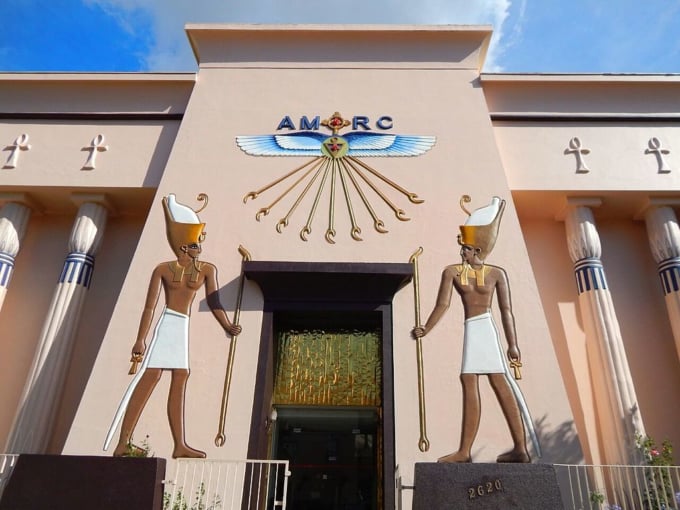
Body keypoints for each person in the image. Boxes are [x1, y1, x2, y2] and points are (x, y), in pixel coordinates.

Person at [104, 193, 241, 458]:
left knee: (180, 376)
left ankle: (179, 444)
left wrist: (227, 324)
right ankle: (124, 441)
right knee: (151, 376)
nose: (200, 247)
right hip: (167, 323)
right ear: (183, 247)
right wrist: (140, 339)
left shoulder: (206, 270)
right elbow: (149, 307)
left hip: (182, 325)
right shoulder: (163, 269)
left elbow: (214, 301)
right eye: (195, 244)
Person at [412, 196, 535, 463]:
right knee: (469, 380)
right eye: (462, 248)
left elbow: (506, 311)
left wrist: (512, 344)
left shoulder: (496, 274)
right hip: (472, 328)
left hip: (487, 328)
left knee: (499, 381)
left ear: (477, 250)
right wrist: (426, 328)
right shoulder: (452, 272)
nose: (462, 253)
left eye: (466, 249)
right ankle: (465, 451)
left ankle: (520, 448)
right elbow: (443, 305)